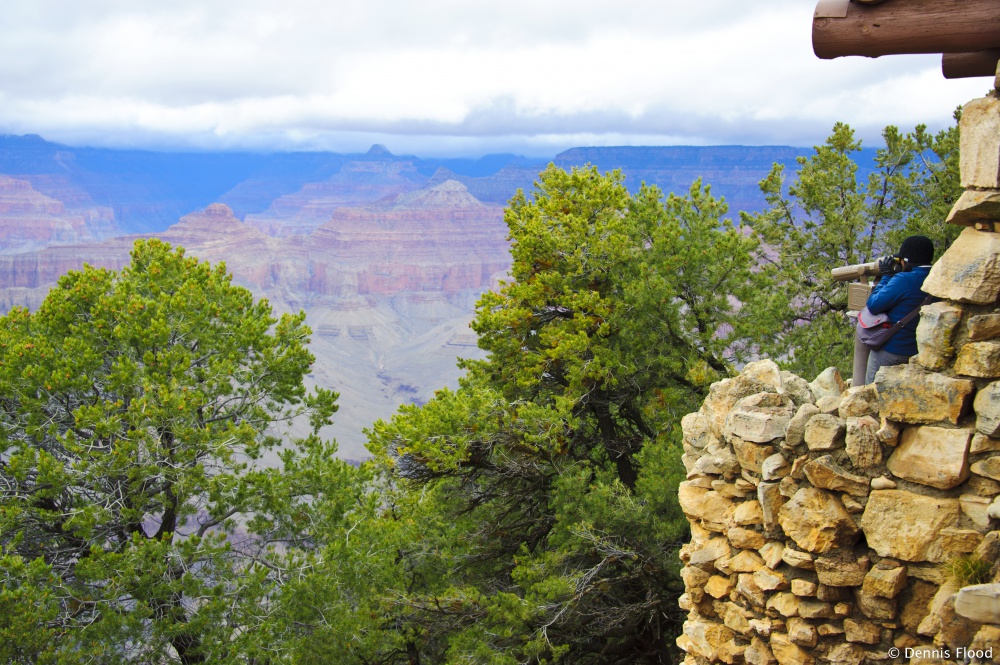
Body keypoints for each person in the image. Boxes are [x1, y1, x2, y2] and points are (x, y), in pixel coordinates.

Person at [864, 235, 934, 384]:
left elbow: (874, 304)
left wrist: (887, 276)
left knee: (872, 392)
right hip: (921, 351)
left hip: (894, 351)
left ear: (905, 261)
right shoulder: (937, 276)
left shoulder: (905, 280)